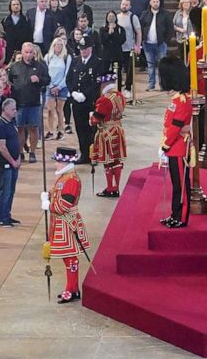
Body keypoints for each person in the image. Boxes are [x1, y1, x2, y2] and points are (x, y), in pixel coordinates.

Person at [41, 147, 91, 304]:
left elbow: (64, 206)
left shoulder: (71, 180)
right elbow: (57, 193)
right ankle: (73, 288)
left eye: (58, 161)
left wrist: (48, 205)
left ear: (65, 162)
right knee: (67, 257)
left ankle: (71, 289)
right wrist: (48, 195)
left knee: (70, 258)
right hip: (60, 222)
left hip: (67, 222)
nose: (56, 164)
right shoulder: (64, 177)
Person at [158, 56, 193, 228]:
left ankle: (182, 216)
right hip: (173, 148)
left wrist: (165, 145)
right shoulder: (177, 99)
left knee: (181, 185)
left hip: (178, 148)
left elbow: (175, 128)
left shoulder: (183, 101)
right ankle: (175, 213)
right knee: (176, 184)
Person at [8, 42, 51, 163]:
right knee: (20, 128)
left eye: (30, 52)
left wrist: (39, 79)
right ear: (22, 52)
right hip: (19, 103)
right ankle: (20, 152)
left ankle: (32, 152)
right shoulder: (15, 66)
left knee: (33, 128)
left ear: (34, 53)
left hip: (34, 103)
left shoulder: (40, 66)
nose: (28, 55)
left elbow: (48, 80)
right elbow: (10, 80)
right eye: (26, 52)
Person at [66, 35, 102, 165]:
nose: (83, 51)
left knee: (92, 130)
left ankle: (93, 155)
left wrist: (85, 94)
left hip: (90, 102)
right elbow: (69, 79)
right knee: (80, 128)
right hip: (77, 102)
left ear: (91, 48)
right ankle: (84, 154)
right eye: (81, 49)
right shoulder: (76, 61)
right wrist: (73, 92)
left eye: (85, 49)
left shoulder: (97, 62)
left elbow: (97, 83)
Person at [90, 72, 127, 198]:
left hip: (107, 132)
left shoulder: (104, 100)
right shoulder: (120, 96)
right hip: (118, 129)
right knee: (117, 160)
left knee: (108, 160)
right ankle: (116, 187)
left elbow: (96, 119)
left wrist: (91, 117)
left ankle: (110, 187)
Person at [0, 99, 21, 228]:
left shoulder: (12, 122)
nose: (15, 111)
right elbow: (2, 147)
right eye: (12, 109)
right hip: (5, 164)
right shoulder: (0, 125)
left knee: (11, 190)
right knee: (5, 190)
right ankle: (1, 217)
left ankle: (7, 214)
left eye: (15, 109)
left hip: (15, 162)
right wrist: (12, 161)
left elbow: (17, 141)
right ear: (4, 110)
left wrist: (19, 157)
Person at [140, 0, 171, 91]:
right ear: (150, 3)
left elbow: (170, 28)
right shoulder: (145, 14)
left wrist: (166, 41)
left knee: (162, 66)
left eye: (157, 1)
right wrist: (142, 40)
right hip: (148, 44)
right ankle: (151, 84)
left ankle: (163, 85)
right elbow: (140, 27)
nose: (155, 3)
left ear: (159, 2)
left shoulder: (165, 14)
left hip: (161, 44)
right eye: (153, 1)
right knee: (150, 65)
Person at [44, 37, 71, 141]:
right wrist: (51, 86)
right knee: (50, 110)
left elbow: (67, 74)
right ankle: (50, 131)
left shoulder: (66, 57)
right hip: (50, 86)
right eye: (56, 44)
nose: (58, 46)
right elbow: (46, 72)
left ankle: (60, 130)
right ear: (53, 46)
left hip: (62, 86)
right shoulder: (48, 57)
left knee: (59, 110)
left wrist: (59, 87)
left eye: (60, 45)